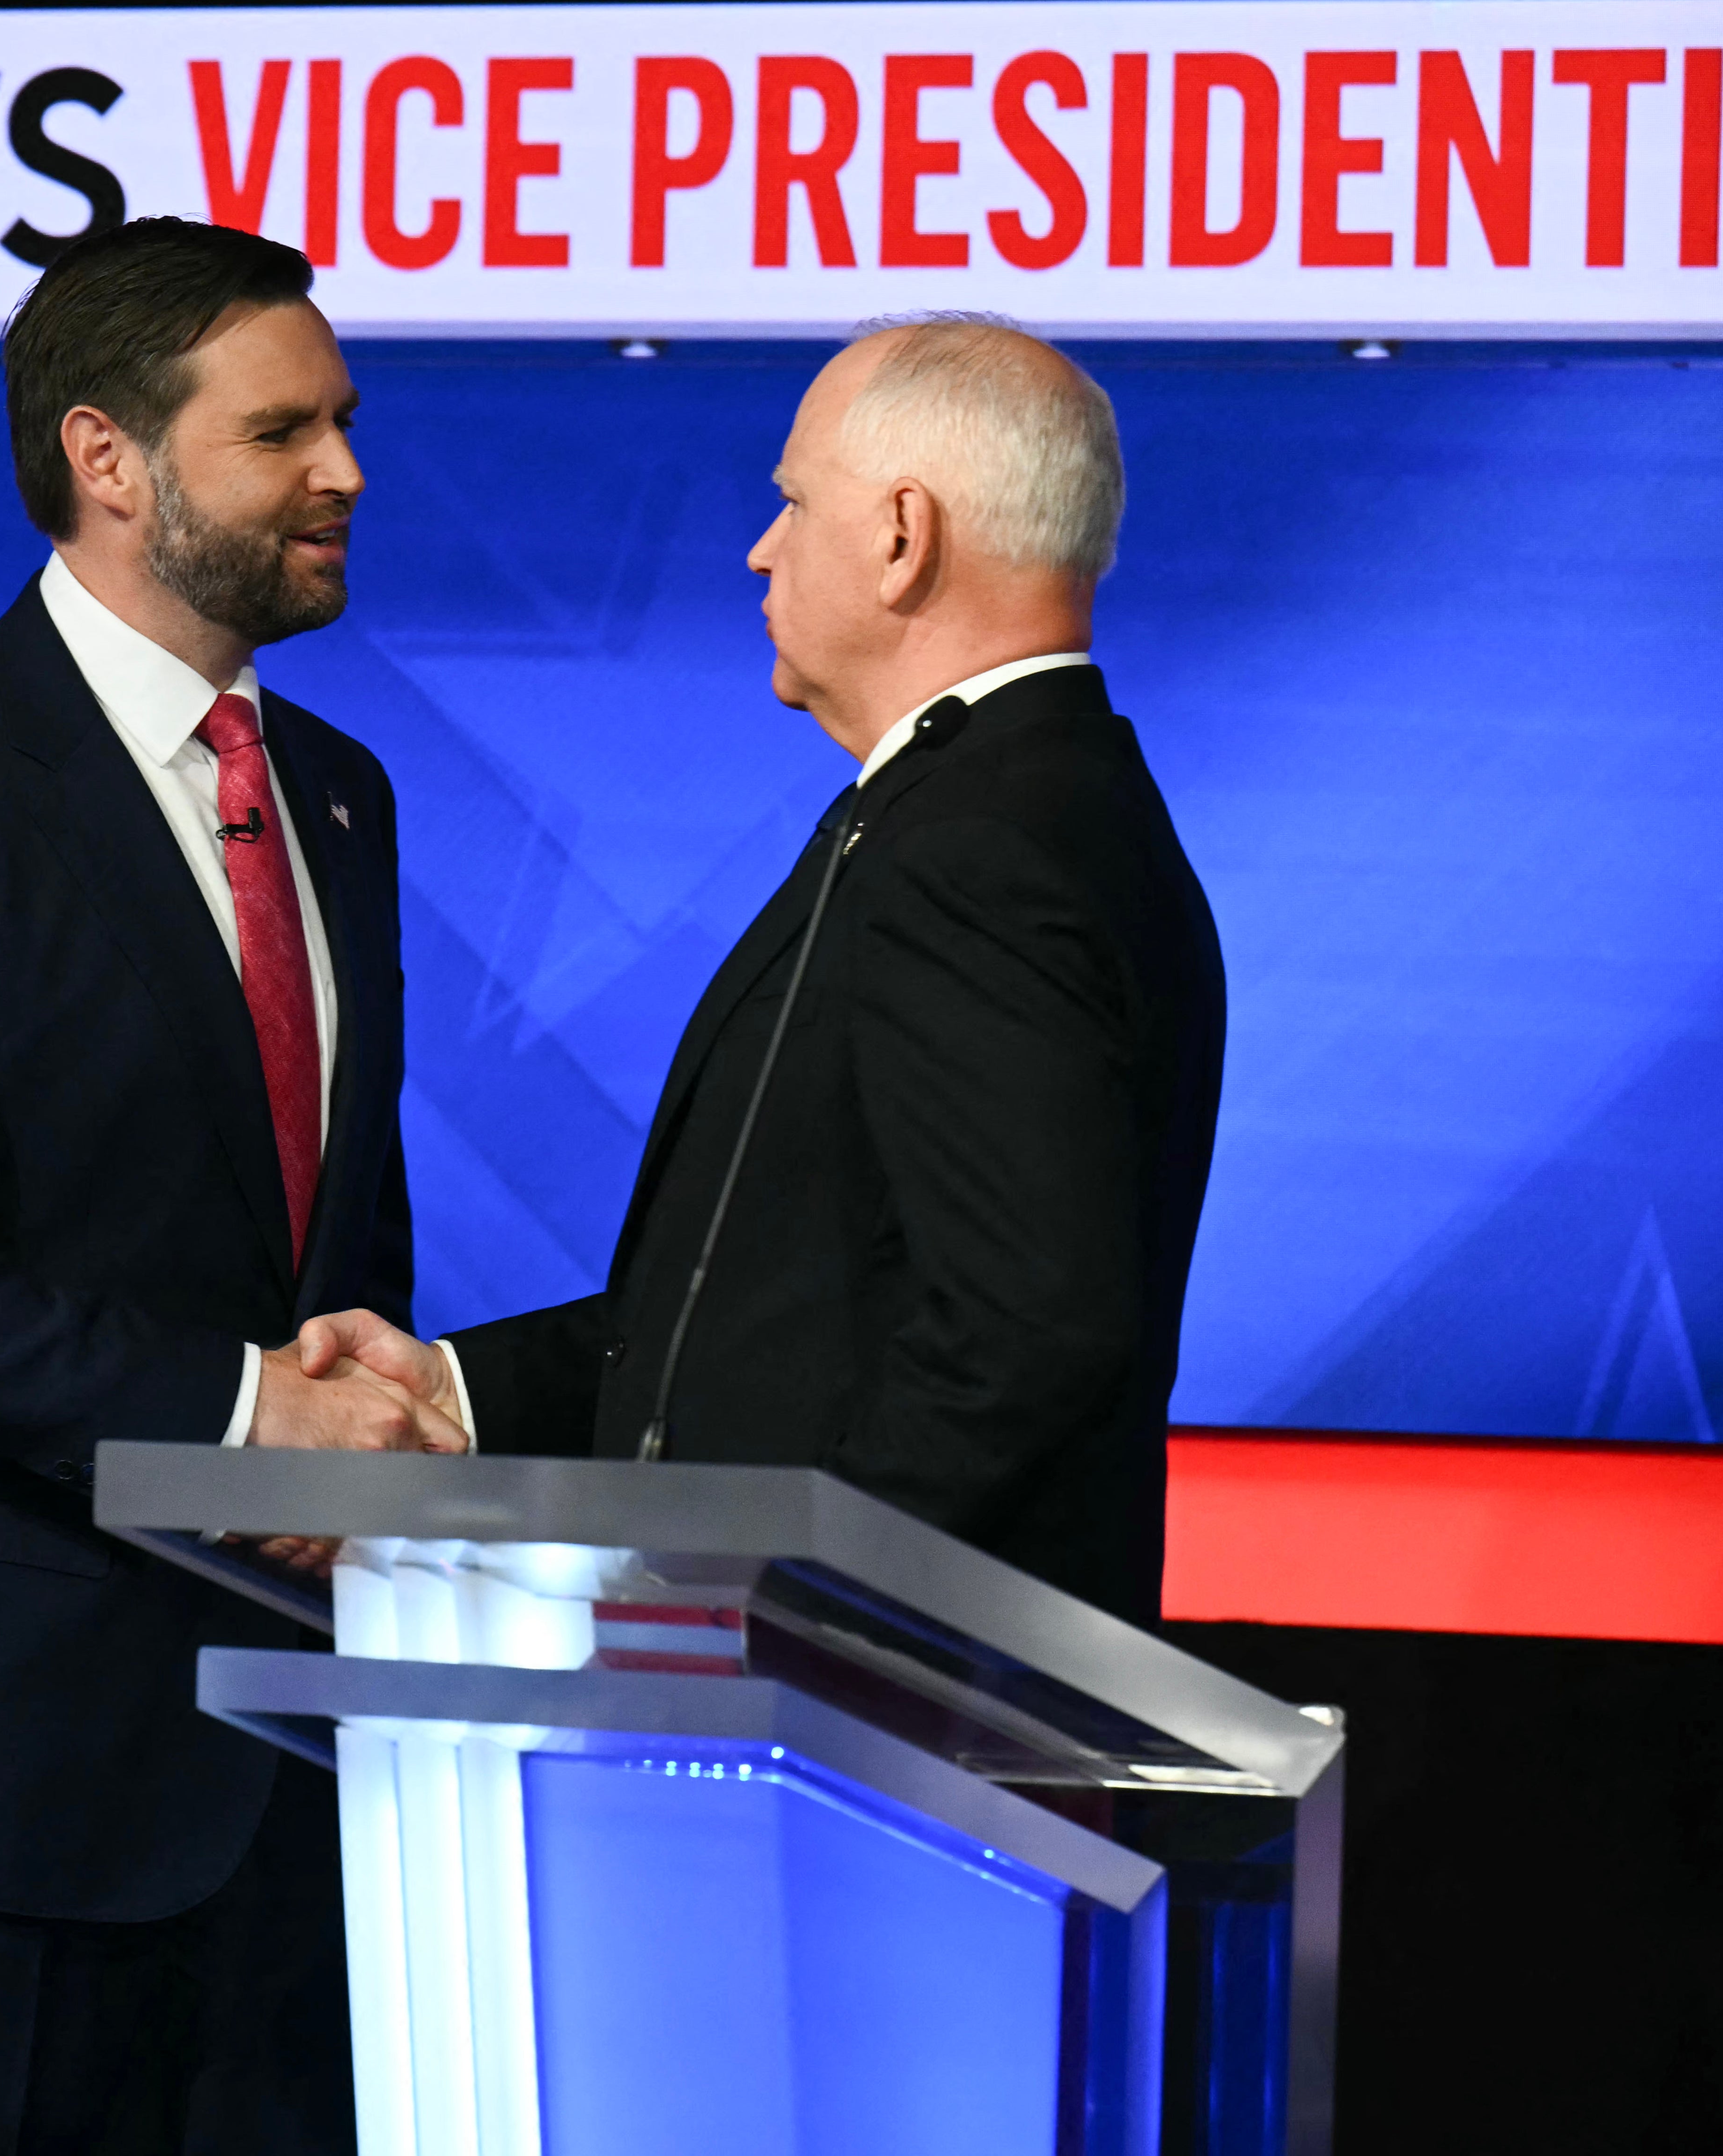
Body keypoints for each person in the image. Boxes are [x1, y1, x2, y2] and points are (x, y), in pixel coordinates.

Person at [0, 216, 457, 2156]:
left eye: (347, 423)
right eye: (283, 431)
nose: (345, 474)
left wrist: (370, 1409)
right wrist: (242, 1417)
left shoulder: (339, 797)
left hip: (295, 1762)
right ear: (107, 460)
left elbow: (314, 1228)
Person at [306, 315, 1223, 1626]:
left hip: (892, 1720)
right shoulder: (988, 809)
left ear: (901, 537)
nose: (761, 545)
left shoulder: (986, 845)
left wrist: (765, 1602)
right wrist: (456, 1392)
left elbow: (1026, 1336)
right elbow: (779, 1299)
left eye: (793, 501)